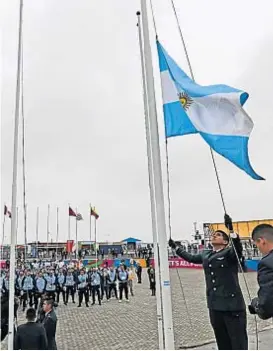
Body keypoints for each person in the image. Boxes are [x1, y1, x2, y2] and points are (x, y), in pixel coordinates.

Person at [169, 214, 247, 350]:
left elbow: (237, 249)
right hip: (215, 306)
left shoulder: (229, 253)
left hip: (232, 306)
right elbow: (192, 258)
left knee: (238, 343)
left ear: (225, 242)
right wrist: (176, 248)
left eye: (218, 235)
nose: (214, 236)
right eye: (213, 234)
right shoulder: (206, 254)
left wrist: (231, 230)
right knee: (222, 342)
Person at [248, 224, 273, 320]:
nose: (258, 249)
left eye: (256, 245)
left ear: (261, 241)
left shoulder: (267, 263)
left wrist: (256, 304)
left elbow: (267, 304)